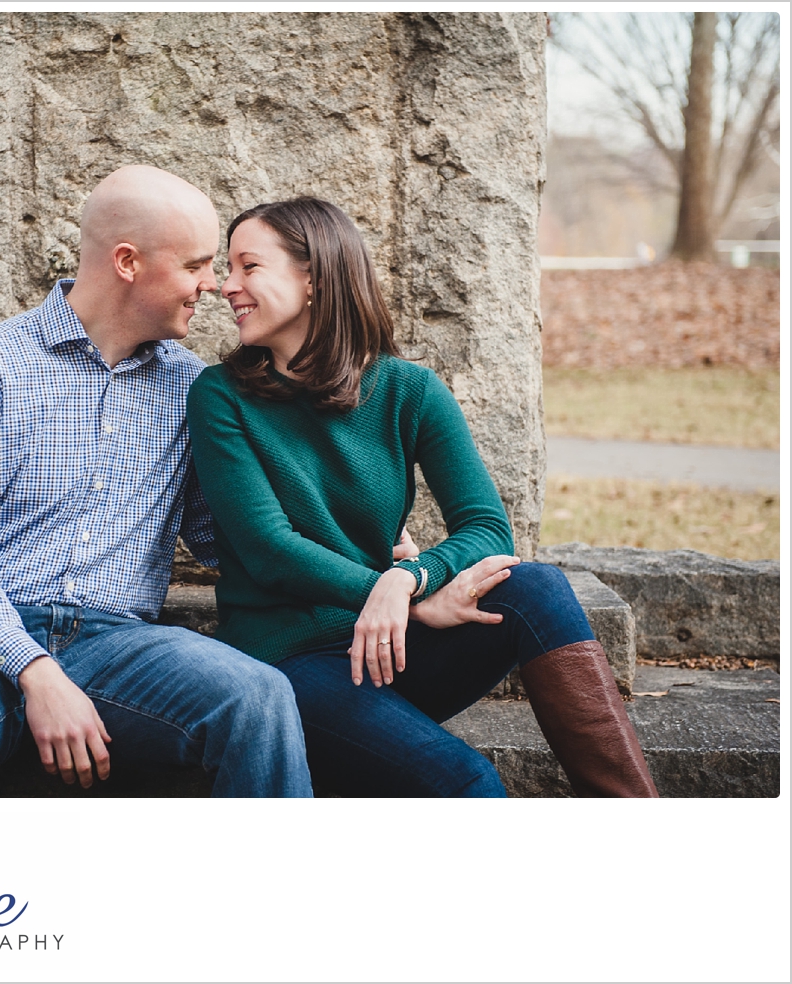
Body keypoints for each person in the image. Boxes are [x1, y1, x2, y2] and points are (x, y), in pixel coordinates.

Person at [0, 165, 312, 798]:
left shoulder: (191, 389)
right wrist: (35, 668)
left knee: (258, 699)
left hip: (117, 645)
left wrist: (373, 557)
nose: (212, 286)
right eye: (196, 265)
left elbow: (229, 537)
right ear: (128, 262)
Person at [188, 197, 658, 797]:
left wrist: (410, 580)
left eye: (248, 267)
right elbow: (268, 549)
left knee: (537, 588)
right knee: (463, 781)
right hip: (290, 661)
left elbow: (488, 528)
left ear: (314, 278)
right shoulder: (221, 396)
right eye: (229, 270)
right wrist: (389, 592)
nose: (226, 287)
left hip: (393, 645)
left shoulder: (409, 390)